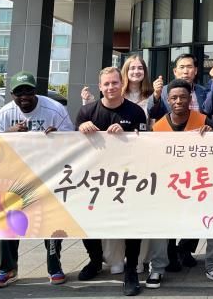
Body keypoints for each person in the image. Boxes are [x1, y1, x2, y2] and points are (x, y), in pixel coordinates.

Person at [0, 71, 74, 289]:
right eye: (19, 92)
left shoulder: (54, 109)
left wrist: (58, 136)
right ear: (12, 95)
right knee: (8, 221)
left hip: (47, 175)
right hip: (15, 177)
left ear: (36, 91)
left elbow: (72, 140)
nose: (24, 96)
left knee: (52, 222)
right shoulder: (6, 113)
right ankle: (7, 269)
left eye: (28, 91)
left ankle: (54, 267)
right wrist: (9, 132)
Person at [75, 67, 148, 297]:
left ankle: (131, 270)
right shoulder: (86, 112)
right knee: (86, 221)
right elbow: (71, 146)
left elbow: (146, 142)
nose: (110, 87)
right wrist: (80, 129)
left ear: (121, 83)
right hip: (94, 180)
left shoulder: (136, 111)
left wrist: (127, 132)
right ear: (100, 86)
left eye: (115, 83)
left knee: (131, 224)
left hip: (128, 178)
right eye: (106, 84)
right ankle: (95, 261)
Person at [148, 79, 213, 288]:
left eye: (183, 97)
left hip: (200, 186)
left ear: (190, 99)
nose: (178, 101)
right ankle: (157, 268)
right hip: (169, 187)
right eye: (174, 98)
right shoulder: (158, 127)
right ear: (168, 100)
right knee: (159, 222)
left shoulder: (204, 121)